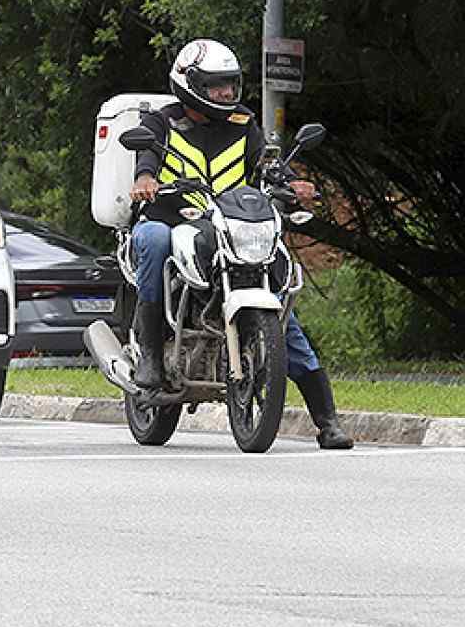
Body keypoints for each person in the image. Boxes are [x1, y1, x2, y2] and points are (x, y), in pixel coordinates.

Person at [127, 38, 351, 448]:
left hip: (230, 227)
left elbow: (266, 167)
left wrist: (289, 186)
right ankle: (150, 357)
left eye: (230, 85)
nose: (226, 94)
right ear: (190, 84)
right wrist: (145, 180)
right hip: (173, 220)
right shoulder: (163, 122)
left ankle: (327, 419)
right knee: (155, 240)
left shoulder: (243, 123)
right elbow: (145, 157)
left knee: (280, 303)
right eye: (216, 87)